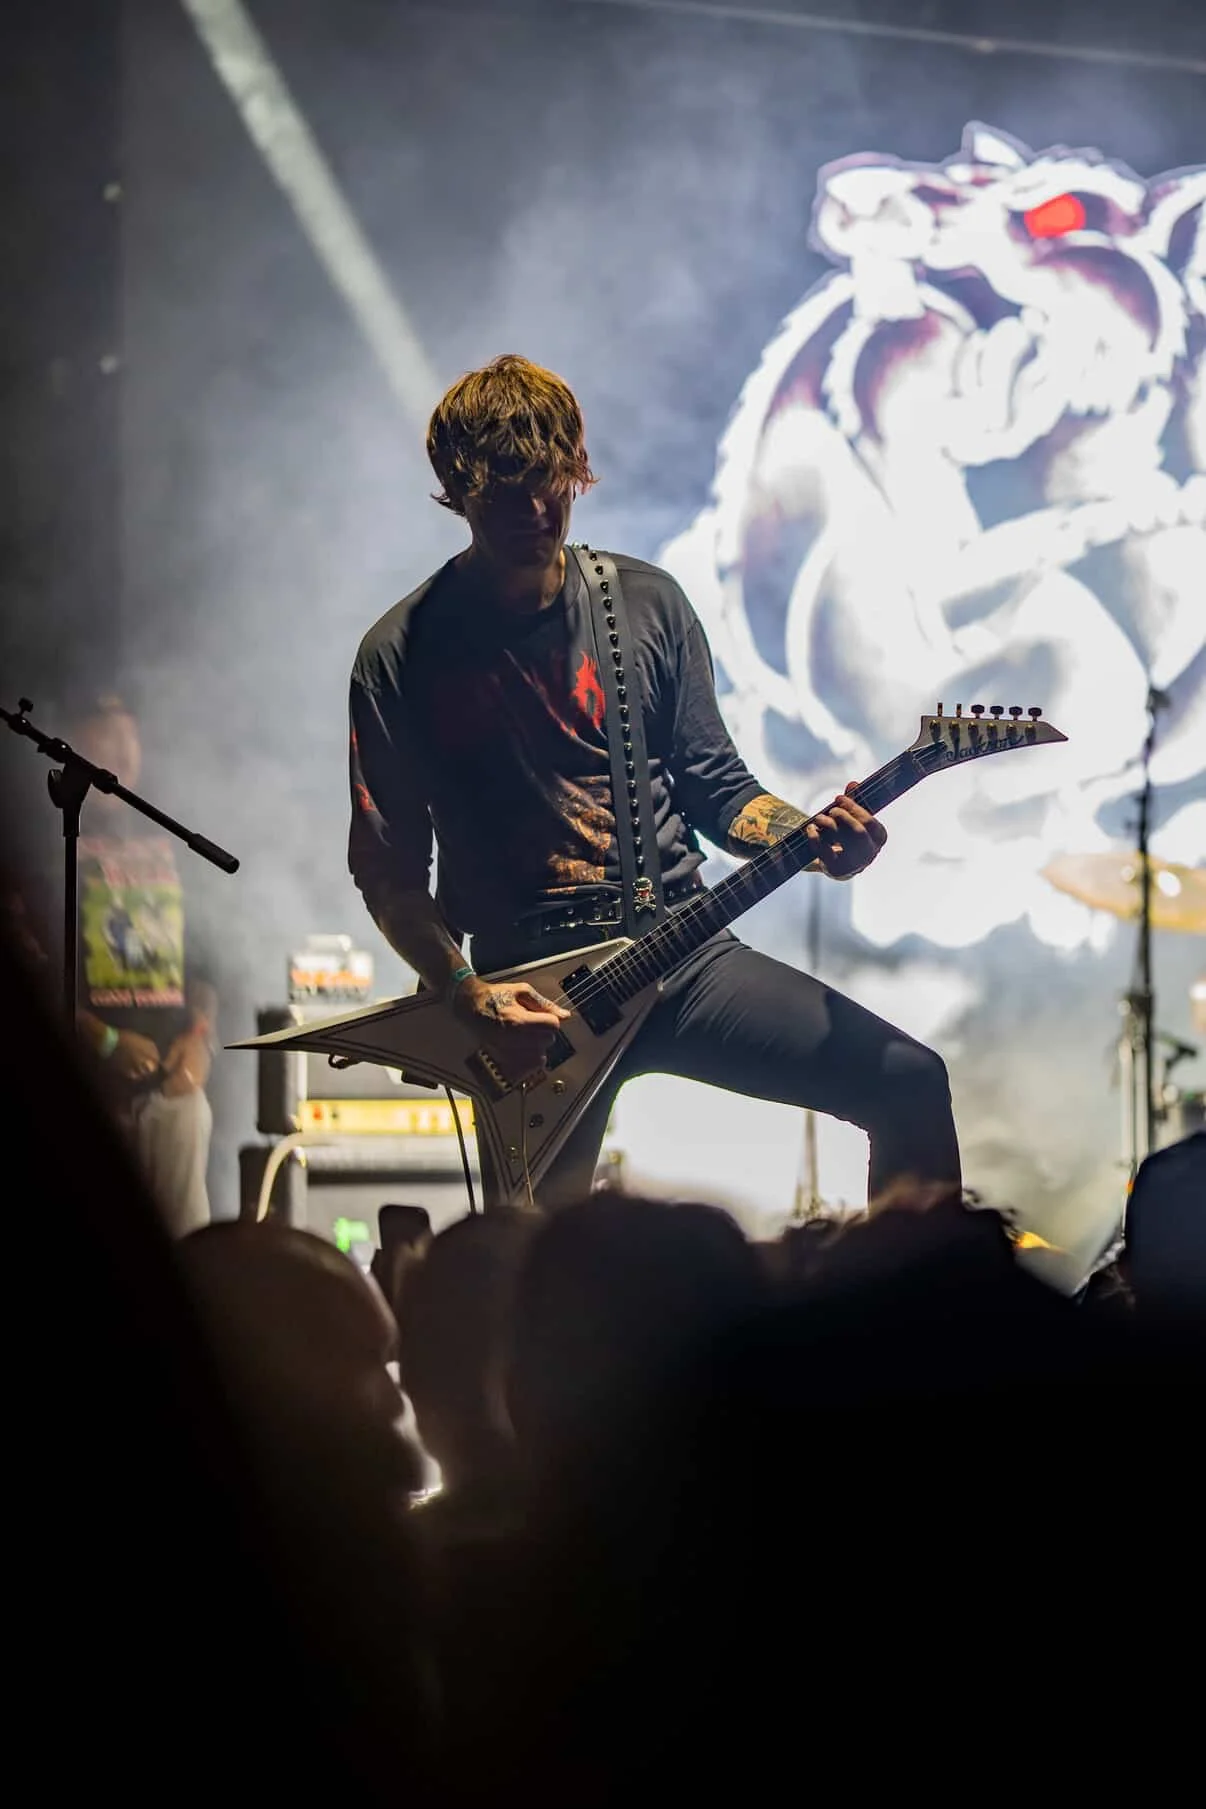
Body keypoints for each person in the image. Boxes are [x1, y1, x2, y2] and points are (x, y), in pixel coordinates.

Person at [347, 354, 961, 1208]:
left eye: (551, 483)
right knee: (532, 1260)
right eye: (507, 491)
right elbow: (389, 875)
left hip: (684, 952)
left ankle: (920, 1292)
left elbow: (719, 789)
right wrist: (466, 995)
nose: (536, 511)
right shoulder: (400, 655)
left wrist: (808, 838)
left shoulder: (643, 604)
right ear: (459, 489)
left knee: (907, 1079)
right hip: (532, 999)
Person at [61, 696, 217, 1234]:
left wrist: (199, 1039)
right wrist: (104, 1040)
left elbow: (205, 967)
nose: (123, 751)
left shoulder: (166, 835)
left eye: (131, 738)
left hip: (171, 1094)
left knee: (188, 1244)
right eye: (107, 735)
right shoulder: (48, 838)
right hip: (90, 1090)